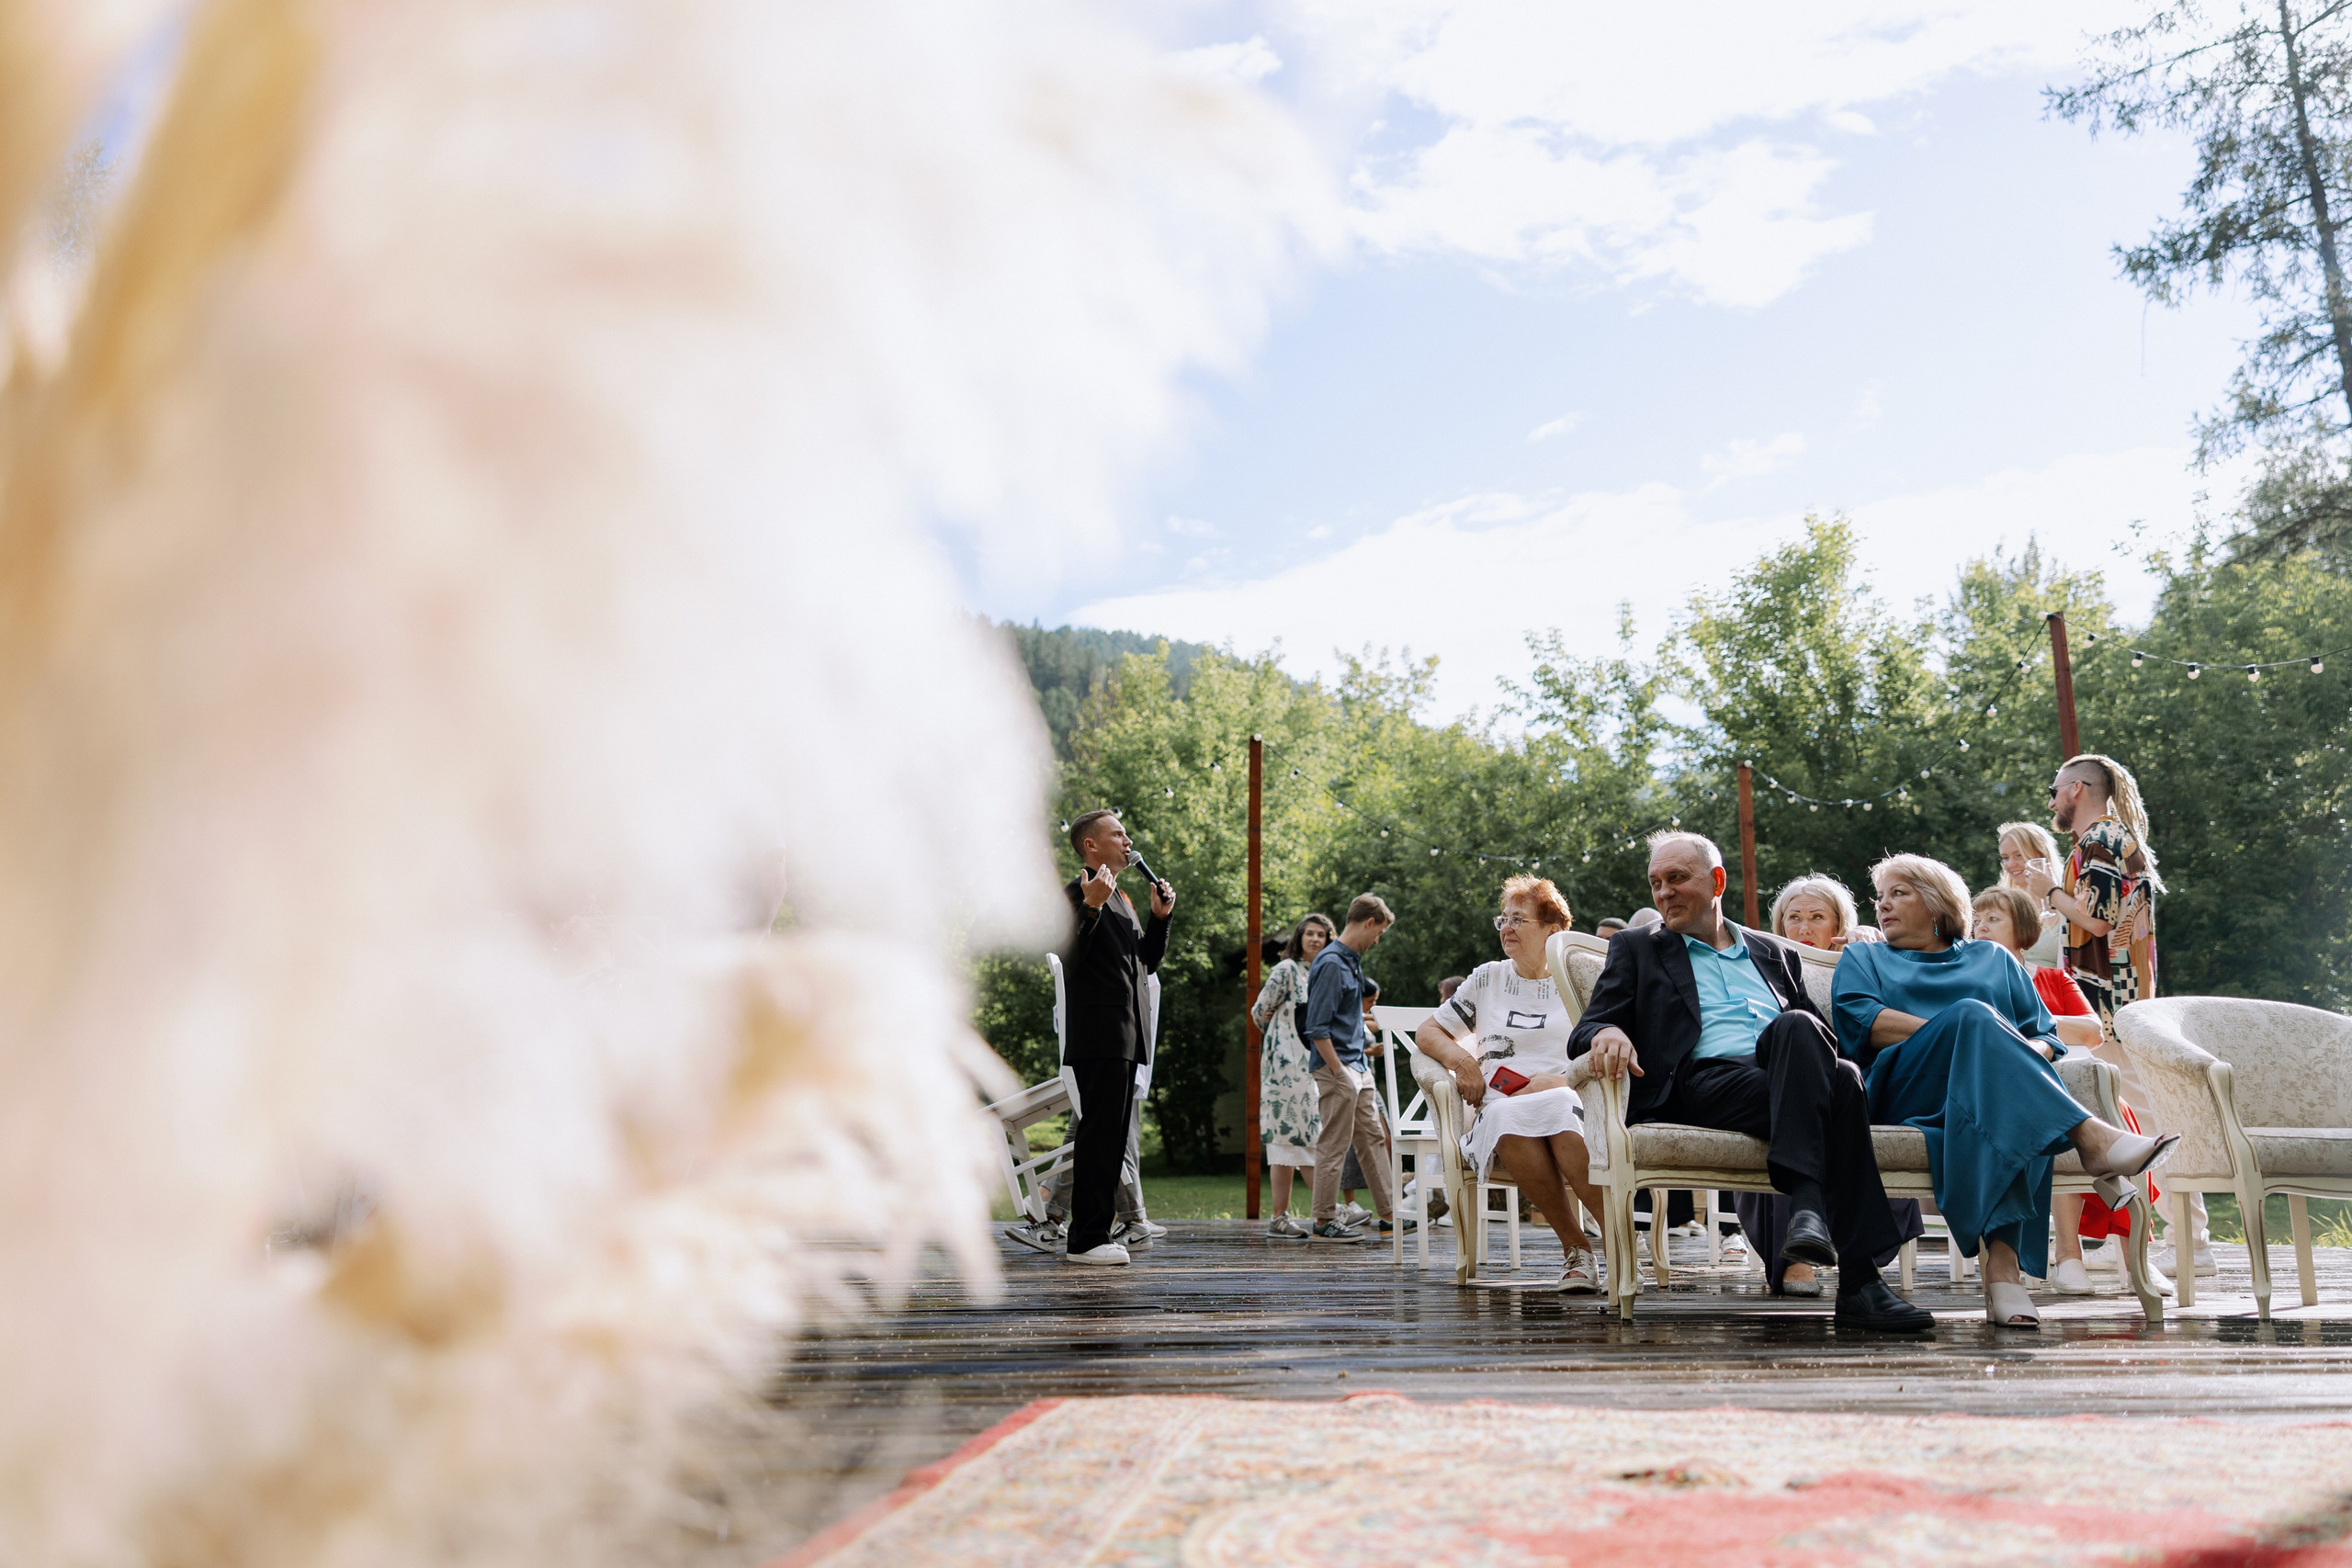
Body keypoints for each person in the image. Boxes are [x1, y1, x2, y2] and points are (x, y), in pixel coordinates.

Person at [1569, 832, 1933, 1333]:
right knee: (1841, 1084)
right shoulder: (1638, 948)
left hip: (1779, 1077)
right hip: (1701, 1083)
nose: (1664, 893)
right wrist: (1608, 1029)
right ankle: (1859, 1281)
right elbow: (1586, 1028)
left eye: (1677, 879)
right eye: (1656, 883)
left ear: (1717, 881)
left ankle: (1817, 1225)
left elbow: (1818, 1038)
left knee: (1819, 1049)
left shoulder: (1772, 952)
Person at [1833, 854, 2177, 1327]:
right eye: (1881, 897)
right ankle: (2092, 1140)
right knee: (1976, 1021)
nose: (1883, 905)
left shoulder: (1992, 958)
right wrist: (1971, 1038)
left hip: (1989, 1092)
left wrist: (2011, 1056)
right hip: (1905, 1089)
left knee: (2008, 1096)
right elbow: (1863, 1021)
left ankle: (2003, 1275)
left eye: (1899, 893)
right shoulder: (1864, 957)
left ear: (1936, 903)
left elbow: (2042, 1035)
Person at [2026, 752, 2208, 1278]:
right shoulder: (2105, 840)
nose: (2053, 800)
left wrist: (2050, 892)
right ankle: (2143, 1235)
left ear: (2079, 789)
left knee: (2146, 1122)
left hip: (2111, 1005)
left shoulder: (2101, 839)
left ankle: (2191, 1242)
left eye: (2056, 790)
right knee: (2124, 1120)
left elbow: (2099, 922)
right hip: (2117, 1001)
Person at [1416, 875, 1609, 1292]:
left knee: (1556, 1106)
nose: (1506, 927)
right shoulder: (1488, 978)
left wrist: (1560, 1079)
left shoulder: (1581, 980)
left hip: (1572, 1095)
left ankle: (1621, 1247)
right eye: (1503, 918)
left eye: (1519, 919)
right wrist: (1463, 1061)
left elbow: (1613, 1042)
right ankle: (1577, 1249)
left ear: (1553, 930)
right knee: (1505, 1114)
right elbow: (1428, 1031)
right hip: (1502, 1103)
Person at [1735, 874, 1921, 1299]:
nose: (1803, 928)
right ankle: (1796, 1254)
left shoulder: (1866, 957)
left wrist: (1869, 943)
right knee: (1789, 1106)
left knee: (1837, 1094)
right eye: (1793, 918)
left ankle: (1842, 1252)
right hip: (1778, 1078)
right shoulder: (1762, 965)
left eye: (1817, 917)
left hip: (1855, 1079)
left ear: (1839, 923)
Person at [1973, 884, 2157, 1296]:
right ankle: (2069, 1256)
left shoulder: (2055, 978)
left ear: (2022, 929)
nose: (1980, 927)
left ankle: (2135, 1257)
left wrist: (2029, 1022)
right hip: (2008, 1091)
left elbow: (2092, 1030)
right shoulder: (1970, 976)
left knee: (2113, 1106)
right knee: (2071, 1111)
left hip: (2069, 1077)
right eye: (1977, 919)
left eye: (1993, 919)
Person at [1047, 809, 1173, 1266]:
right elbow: (1070, 957)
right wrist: (1092, 906)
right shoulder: (1075, 894)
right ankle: (1084, 1239)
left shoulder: (1122, 898)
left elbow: (1146, 963)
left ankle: (1094, 1233)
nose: (1127, 840)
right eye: (1117, 833)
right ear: (1091, 846)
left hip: (1127, 1031)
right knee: (1098, 1137)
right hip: (1099, 1032)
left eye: (1126, 834)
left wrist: (1160, 919)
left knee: (1112, 1139)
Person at [1304, 894, 1397, 1240]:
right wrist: (1340, 1072)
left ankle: (1390, 1216)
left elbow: (1346, 1016)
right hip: (1336, 1068)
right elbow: (1316, 1027)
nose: (1377, 940)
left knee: (1373, 1139)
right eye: (1379, 933)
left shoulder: (1351, 960)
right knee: (1334, 1144)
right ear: (1368, 923)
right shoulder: (1330, 963)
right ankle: (1323, 1220)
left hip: (1357, 1064)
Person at [1250, 915, 1332, 1238]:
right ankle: (1295, 1215)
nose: (1315, 939)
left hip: (1312, 1067)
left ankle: (1315, 1214)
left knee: (1309, 1134)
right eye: (1309, 934)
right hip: (1285, 1067)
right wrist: (1276, 1029)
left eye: (1321, 935)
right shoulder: (1285, 970)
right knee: (1288, 1136)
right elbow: (1259, 1011)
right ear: (1299, 938)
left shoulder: (1324, 973)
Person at [1337, 980, 1390, 1221]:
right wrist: (1372, 1052)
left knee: (1385, 1138)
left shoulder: (1360, 1017)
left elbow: (1378, 1022)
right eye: (1371, 1000)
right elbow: (1343, 1050)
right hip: (1353, 1082)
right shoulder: (1345, 1020)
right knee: (1351, 1142)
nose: (1374, 1005)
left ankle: (1390, 1205)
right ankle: (1350, 1204)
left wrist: (1369, 1011)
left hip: (1369, 1083)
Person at [1996, 821, 2069, 968]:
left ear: (2041, 856)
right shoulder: (2002, 904)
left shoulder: (2065, 901)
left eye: (2019, 855)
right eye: (2005, 858)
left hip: (2054, 988)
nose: (2010, 864)